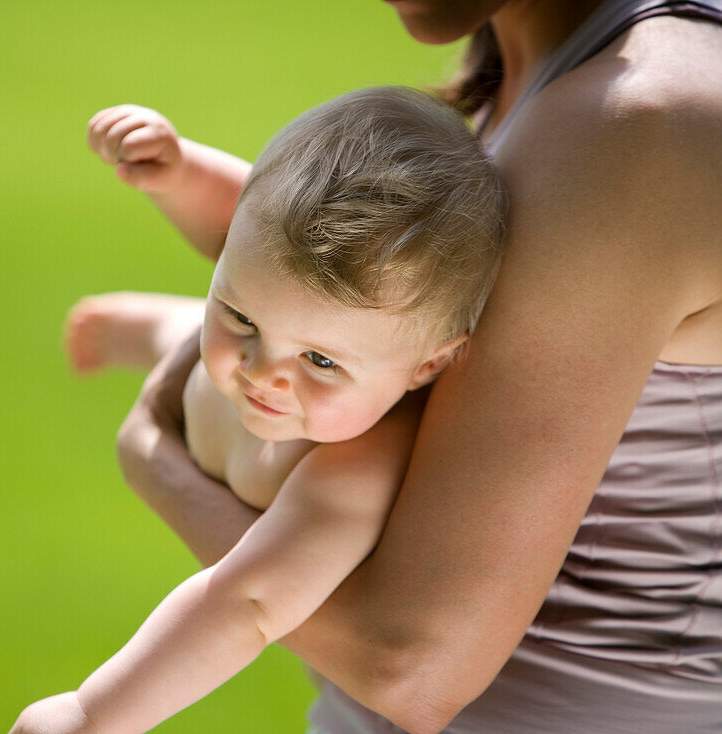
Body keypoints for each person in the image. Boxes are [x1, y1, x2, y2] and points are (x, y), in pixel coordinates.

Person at [86, 1, 722, 732]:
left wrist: (153, 458)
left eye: (319, 360)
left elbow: (405, 665)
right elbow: (302, 273)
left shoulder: (637, 123)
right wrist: (181, 182)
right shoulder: (543, 77)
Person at [9, 87, 507, 734]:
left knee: (209, 351)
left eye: (321, 362)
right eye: (242, 315)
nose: (266, 373)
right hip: (205, 393)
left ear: (429, 366)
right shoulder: (296, 336)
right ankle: (167, 324)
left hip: (236, 430)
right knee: (203, 348)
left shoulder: (355, 470)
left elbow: (247, 602)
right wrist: (180, 172)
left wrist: (92, 713)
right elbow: (243, 217)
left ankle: (173, 324)